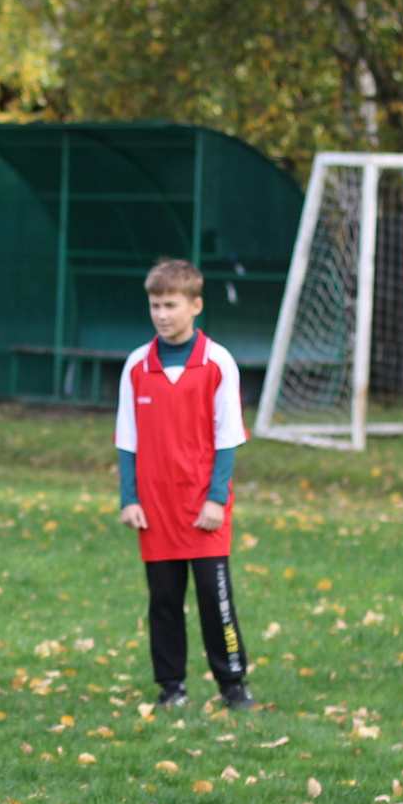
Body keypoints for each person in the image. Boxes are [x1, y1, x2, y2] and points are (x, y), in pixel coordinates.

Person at [115, 258, 255, 712]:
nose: (161, 314)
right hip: (155, 509)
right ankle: (171, 686)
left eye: (171, 304)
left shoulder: (218, 363)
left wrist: (217, 498)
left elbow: (228, 438)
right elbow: (127, 440)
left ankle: (233, 685)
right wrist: (129, 498)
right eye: (155, 305)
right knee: (164, 602)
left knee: (217, 602)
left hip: (203, 508)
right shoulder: (137, 365)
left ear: (195, 305)